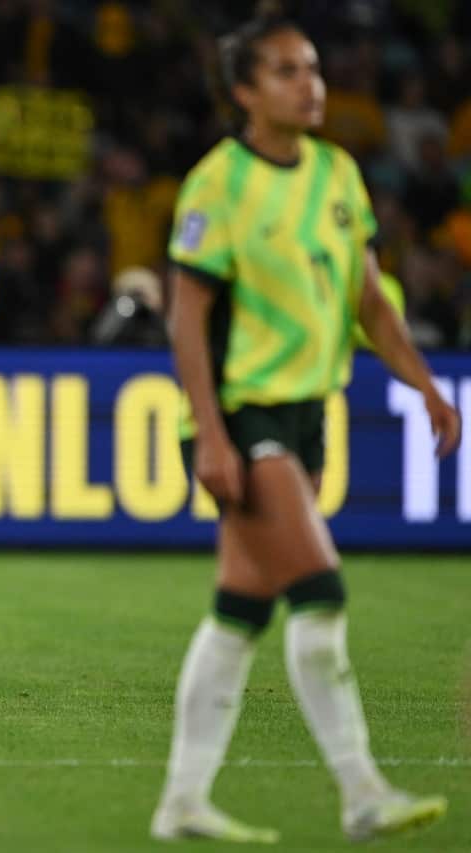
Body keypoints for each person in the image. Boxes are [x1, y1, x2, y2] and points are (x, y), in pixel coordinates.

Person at [151, 12, 461, 844]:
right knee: (319, 591)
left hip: (305, 412)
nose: (310, 84)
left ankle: (182, 801)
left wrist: (427, 386)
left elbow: (370, 301)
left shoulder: (338, 172)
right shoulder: (219, 182)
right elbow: (188, 318)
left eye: (313, 68)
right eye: (287, 71)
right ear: (245, 92)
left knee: (241, 608)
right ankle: (362, 791)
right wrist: (210, 433)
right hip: (241, 412)